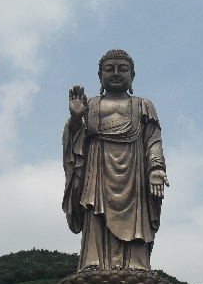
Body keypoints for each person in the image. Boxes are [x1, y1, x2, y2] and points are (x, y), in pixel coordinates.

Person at [63, 49, 169, 272]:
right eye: (109, 69)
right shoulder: (91, 105)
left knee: (136, 219)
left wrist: (156, 169)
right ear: (100, 76)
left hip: (134, 172)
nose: (116, 73)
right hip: (97, 169)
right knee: (95, 212)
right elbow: (76, 142)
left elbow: (153, 139)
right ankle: (94, 263)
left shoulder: (143, 105)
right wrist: (76, 118)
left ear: (133, 75)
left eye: (123, 69)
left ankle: (136, 265)